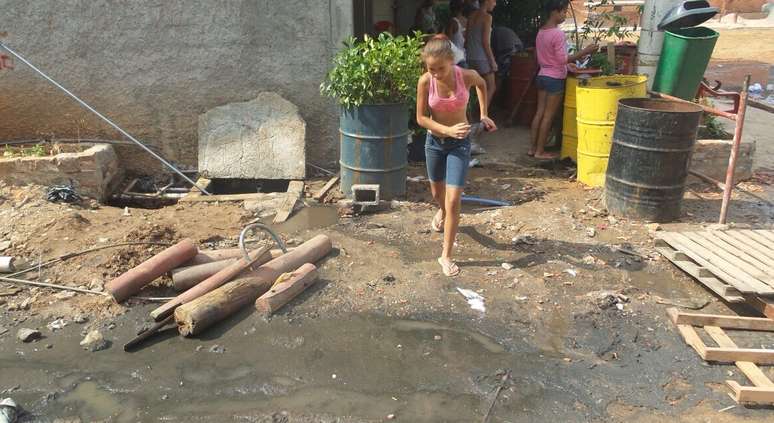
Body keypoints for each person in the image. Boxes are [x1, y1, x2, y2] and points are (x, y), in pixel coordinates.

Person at [416, 35, 497, 277]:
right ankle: (441, 210)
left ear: (451, 61)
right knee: (437, 195)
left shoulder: (467, 76)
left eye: (440, 68)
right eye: (431, 69)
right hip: (434, 143)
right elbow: (421, 119)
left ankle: (446, 255)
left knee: (453, 201)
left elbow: (483, 84)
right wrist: (446, 130)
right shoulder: (425, 82)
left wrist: (484, 114)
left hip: (460, 144)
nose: (437, 74)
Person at [530, 0, 596, 159]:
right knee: (548, 115)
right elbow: (561, 59)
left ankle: (532, 149)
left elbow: (544, 59)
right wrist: (585, 51)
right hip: (554, 79)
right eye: (564, 11)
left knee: (539, 113)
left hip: (542, 75)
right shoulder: (557, 33)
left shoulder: (541, 32)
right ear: (555, 11)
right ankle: (540, 151)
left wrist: (568, 66)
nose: (565, 15)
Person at [465, 0, 498, 109]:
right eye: (494, 1)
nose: (495, 4)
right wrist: (492, 61)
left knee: (472, 88)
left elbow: (466, 39)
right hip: (482, 58)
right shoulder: (487, 17)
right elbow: (485, 42)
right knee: (491, 87)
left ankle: (469, 115)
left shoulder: (471, 16)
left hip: (470, 57)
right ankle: (482, 117)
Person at [444, 0, 467, 66]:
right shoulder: (466, 20)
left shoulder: (452, 22)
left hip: (455, 57)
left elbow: (447, 41)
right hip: (464, 55)